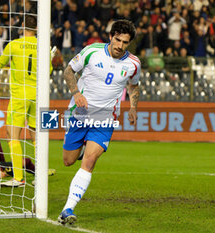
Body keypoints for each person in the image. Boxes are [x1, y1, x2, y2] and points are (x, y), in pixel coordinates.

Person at [57, 20, 141, 225]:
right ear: (111, 36)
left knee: (90, 162)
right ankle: (82, 148)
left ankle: (67, 209)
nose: (120, 46)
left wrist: (133, 107)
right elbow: (69, 71)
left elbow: (134, 86)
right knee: (68, 160)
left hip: (105, 118)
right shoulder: (92, 51)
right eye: (118, 40)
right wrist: (76, 93)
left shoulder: (134, 63)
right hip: (80, 113)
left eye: (125, 42)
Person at [0, 15, 55, 187]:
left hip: (20, 95)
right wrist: (49, 58)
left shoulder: (13, 45)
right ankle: (40, 176)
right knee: (37, 136)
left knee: (12, 136)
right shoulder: (44, 46)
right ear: (37, 27)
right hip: (38, 96)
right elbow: (48, 71)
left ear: (22, 26)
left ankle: (19, 178)